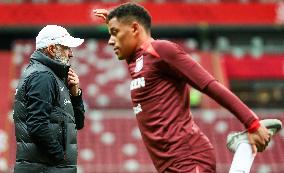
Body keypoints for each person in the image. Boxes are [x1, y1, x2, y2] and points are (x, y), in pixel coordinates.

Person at [94, 3, 274, 173]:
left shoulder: (162, 50)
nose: (110, 41)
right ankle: (243, 148)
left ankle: (244, 149)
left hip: (188, 157)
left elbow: (209, 85)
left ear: (134, 28)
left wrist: (252, 123)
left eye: (115, 33)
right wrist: (115, 18)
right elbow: (130, 48)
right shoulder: (135, 61)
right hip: (168, 165)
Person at [13, 25, 85, 173]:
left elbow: (78, 123)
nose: (71, 54)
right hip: (45, 168)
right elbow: (37, 126)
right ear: (52, 49)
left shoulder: (51, 76)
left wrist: (75, 94)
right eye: (66, 48)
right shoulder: (42, 77)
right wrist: (61, 157)